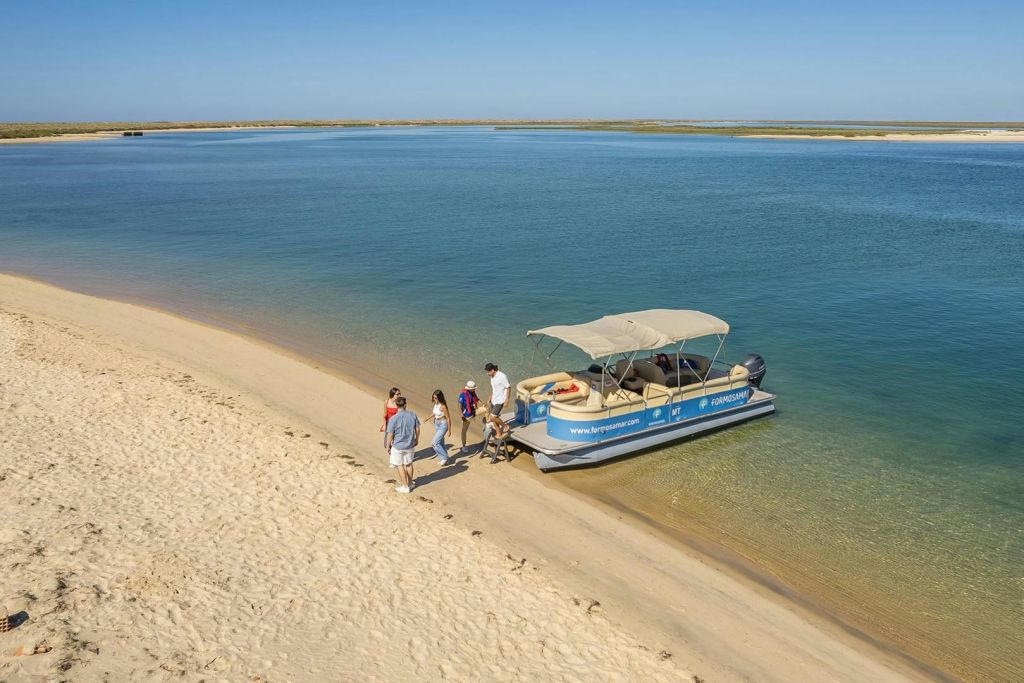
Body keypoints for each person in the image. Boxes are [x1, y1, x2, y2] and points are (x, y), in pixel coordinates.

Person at [385, 396, 419, 493]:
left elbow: (390, 434)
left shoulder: (394, 418)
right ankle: (410, 483)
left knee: (400, 465)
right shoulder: (412, 415)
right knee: (409, 464)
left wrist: (388, 446)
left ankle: (405, 486)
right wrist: (417, 439)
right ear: (405, 404)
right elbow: (417, 429)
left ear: (396, 405)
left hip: (398, 445)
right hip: (410, 444)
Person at [425, 389, 452, 466]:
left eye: (436, 398)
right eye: (433, 397)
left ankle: (444, 458)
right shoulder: (436, 404)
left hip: (443, 425)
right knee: (440, 442)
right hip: (436, 423)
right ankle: (444, 458)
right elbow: (434, 413)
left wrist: (449, 430)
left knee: (434, 442)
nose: (434, 399)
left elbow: (448, 418)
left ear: (439, 398)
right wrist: (427, 418)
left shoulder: (443, 406)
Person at [457, 380, 480, 453]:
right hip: (467, 415)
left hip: (474, 411)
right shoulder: (462, 395)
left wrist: (483, 404)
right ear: (469, 388)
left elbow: (477, 399)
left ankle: (488, 423)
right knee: (464, 431)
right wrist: (461, 415)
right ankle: (464, 445)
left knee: (486, 409)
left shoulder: (473, 393)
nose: (474, 389)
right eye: (473, 388)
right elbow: (459, 405)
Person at [380, 387, 401, 451]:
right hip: (388, 422)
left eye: (400, 394)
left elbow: (400, 415)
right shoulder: (386, 401)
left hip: (396, 424)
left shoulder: (399, 403)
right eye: (397, 394)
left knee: (394, 440)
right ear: (393, 394)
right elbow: (385, 414)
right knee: (386, 443)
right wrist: (384, 425)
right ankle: (391, 450)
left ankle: (393, 453)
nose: (399, 395)